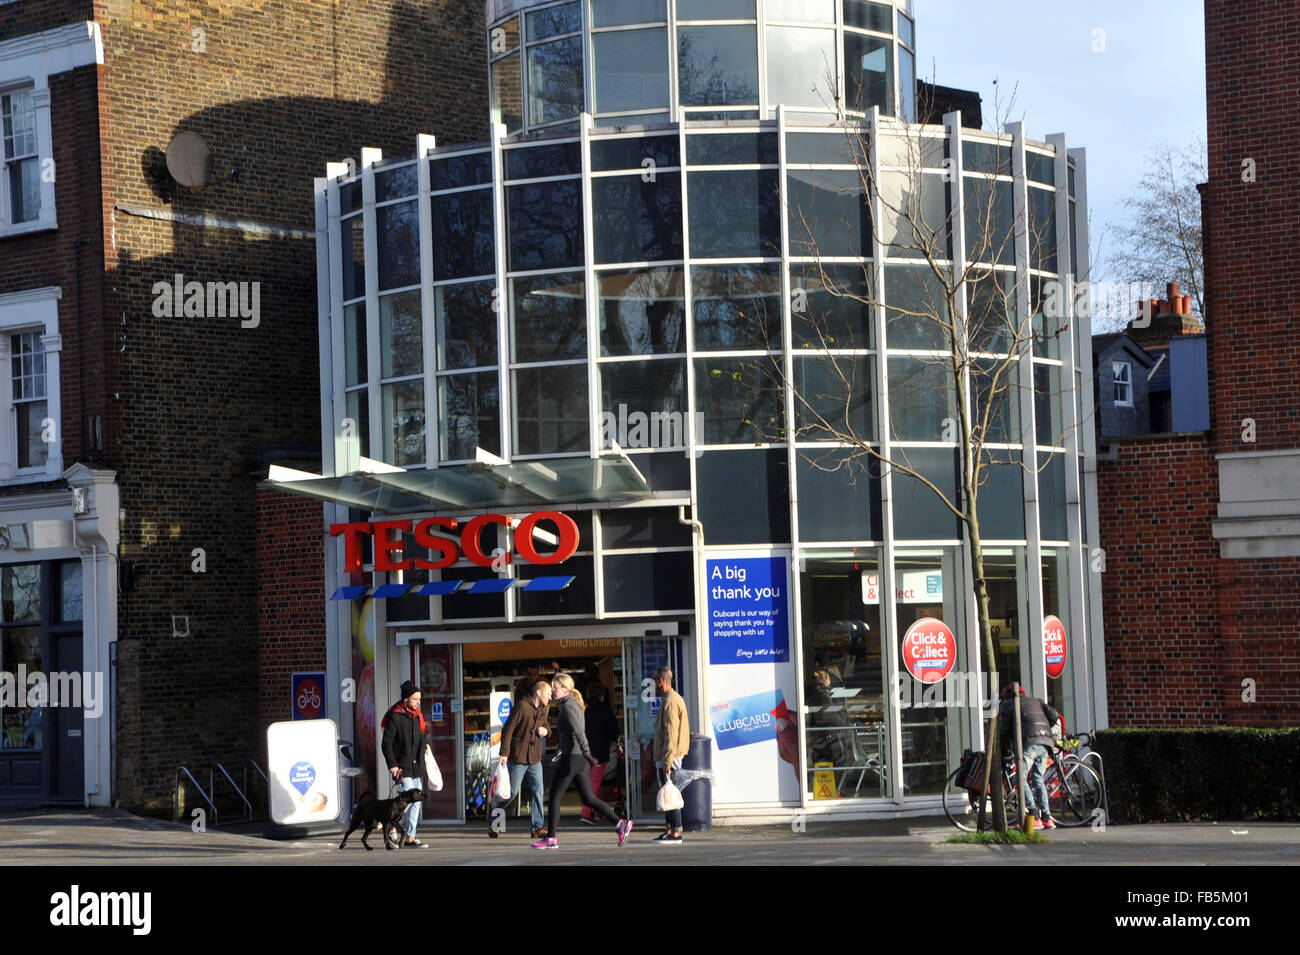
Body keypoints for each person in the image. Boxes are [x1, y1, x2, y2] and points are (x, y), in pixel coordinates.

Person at [532, 672, 632, 850]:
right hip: (577, 758)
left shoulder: (568, 706)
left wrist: (587, 753)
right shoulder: (572, 704)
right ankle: (620, 824)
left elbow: (579, 732)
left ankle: (551, 838)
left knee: (554, 797)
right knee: (589, 798)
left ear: (565, 688)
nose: (553, 691)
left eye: (555, 688)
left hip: (573, 758)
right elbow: (572, 734)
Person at [491, 679, 552, 839]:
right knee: (510, 792)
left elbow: (547, 727)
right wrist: (504, 753)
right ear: (538, 692)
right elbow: (508, 729)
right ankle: (495, 822)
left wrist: (545, 731)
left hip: (535, 757)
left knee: (538, 790)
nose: (550, 697)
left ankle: (537, 827)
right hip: (518, 756)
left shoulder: (542, 709)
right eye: (548, 694)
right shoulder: (522, 706)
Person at [998, 684, 1063, 830]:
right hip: (1046, 742)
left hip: (1029, 742)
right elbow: (1054, 715)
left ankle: (1034, 816)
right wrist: (1045, 730)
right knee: (1038, 779)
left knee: (1019, 778)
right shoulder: (1036, 701)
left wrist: (1001, 751)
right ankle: (1047, 818)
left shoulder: (1008, 705)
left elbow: (1003, 731)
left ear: (1007, 695)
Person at [380, 680, 428, 847]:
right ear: (406, 699)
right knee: (403, 804)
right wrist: (392, 764)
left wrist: (425, 747)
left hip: (416, 766)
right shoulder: (396, 715)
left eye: (419, 699)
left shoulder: (417, 716)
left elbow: (420, 737)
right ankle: (394, 830)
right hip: (402, 766)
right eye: (415, 699)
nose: (418, 702)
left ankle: (410, 837)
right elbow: (386, 743)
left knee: (416, 803)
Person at [651, 667, 690, 845]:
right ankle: (669, 830)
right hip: (668, 755)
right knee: (667, 794)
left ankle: (676, 833)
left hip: (670, 756)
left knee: (671, 795)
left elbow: (671, 732)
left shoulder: (671, 701)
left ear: (661, 680)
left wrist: (667, 760)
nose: (653, 683)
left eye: (655, 679)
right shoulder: (669, 698)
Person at [580, 683, 619, 825]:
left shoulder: (585, 711)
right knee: (595, 784)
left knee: (593, 782)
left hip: (585, 753)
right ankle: (586, 813)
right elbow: (614, 732)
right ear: (602, 696)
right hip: (600, 752)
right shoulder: (606, 711)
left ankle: (597, 812)